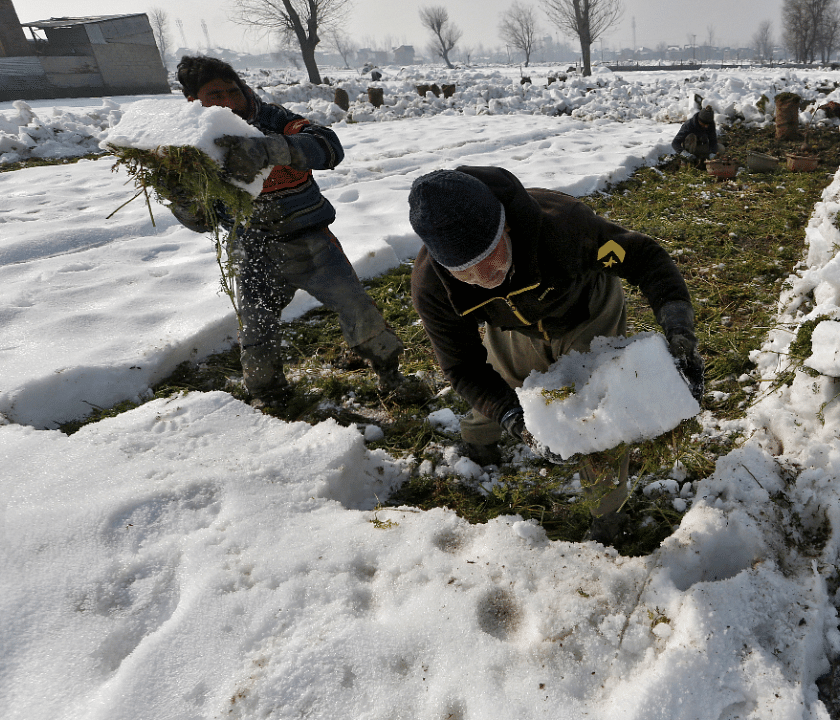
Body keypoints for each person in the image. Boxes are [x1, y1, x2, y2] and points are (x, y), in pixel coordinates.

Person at [407, 166, 704, 467]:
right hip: (513, 325)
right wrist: (515, 422)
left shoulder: (564, 225)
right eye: (465, 271)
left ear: (505, 225)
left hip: (585, 308)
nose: (485, 276)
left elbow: (644, 258)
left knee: (598, 410)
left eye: (489, 255)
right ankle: (479, 443)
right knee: (500, 397)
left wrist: (679, 328)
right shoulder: (432, 289)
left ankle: (606, 506)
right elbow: (464, 368)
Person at [169, 56, 405, 407]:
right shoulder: (194, 150)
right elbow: (203, 220)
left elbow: (328, 146)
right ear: (194, 102)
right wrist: (180, 196)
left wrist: (271, 150)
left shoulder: (273, 119)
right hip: (252, 251)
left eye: (233, 91)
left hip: (311, 243)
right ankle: (269, 396)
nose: (228, 101)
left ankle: (392, 377)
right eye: (215, 94)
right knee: (256, 331)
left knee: (358, 310)